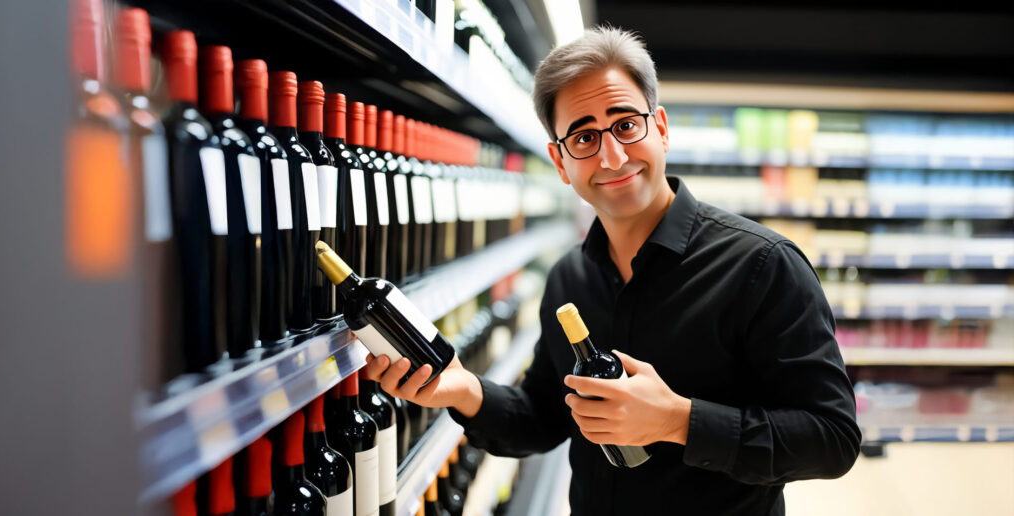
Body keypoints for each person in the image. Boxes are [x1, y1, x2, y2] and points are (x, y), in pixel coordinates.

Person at [365, 26, 860, 515]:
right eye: (583, 137)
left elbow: (832, 439)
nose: (613, 156)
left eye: (626, 125)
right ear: (560, 163)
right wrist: (464, 388)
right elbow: (544, 416)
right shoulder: (569, 280)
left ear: (660, 127)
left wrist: (679, 421)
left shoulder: (762, 266)